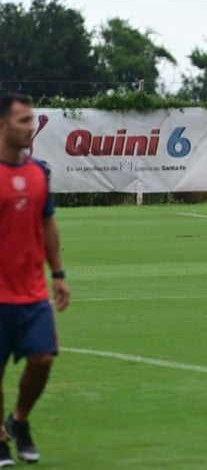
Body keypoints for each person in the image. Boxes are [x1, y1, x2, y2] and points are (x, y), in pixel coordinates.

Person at [0, 92, 71, 465]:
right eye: (24, 120)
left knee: (43, 358)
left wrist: (58, 274)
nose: (32, 126)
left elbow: (47, 224)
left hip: (31, 292)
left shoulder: (38, 173)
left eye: (32, 119)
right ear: (2, 125)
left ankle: (18, 420)